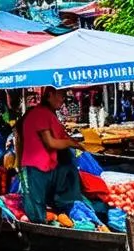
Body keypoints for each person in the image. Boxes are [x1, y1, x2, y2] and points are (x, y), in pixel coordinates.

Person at [16, 86, 85, 224]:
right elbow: (51, 143)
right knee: (35, 211)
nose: (63, 99)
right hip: (35, 166)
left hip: (47, 166)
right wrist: (73, 144)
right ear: (50, 95)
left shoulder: (48, 114)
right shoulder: (40, 113)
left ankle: (54, 218)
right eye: (61, 95)